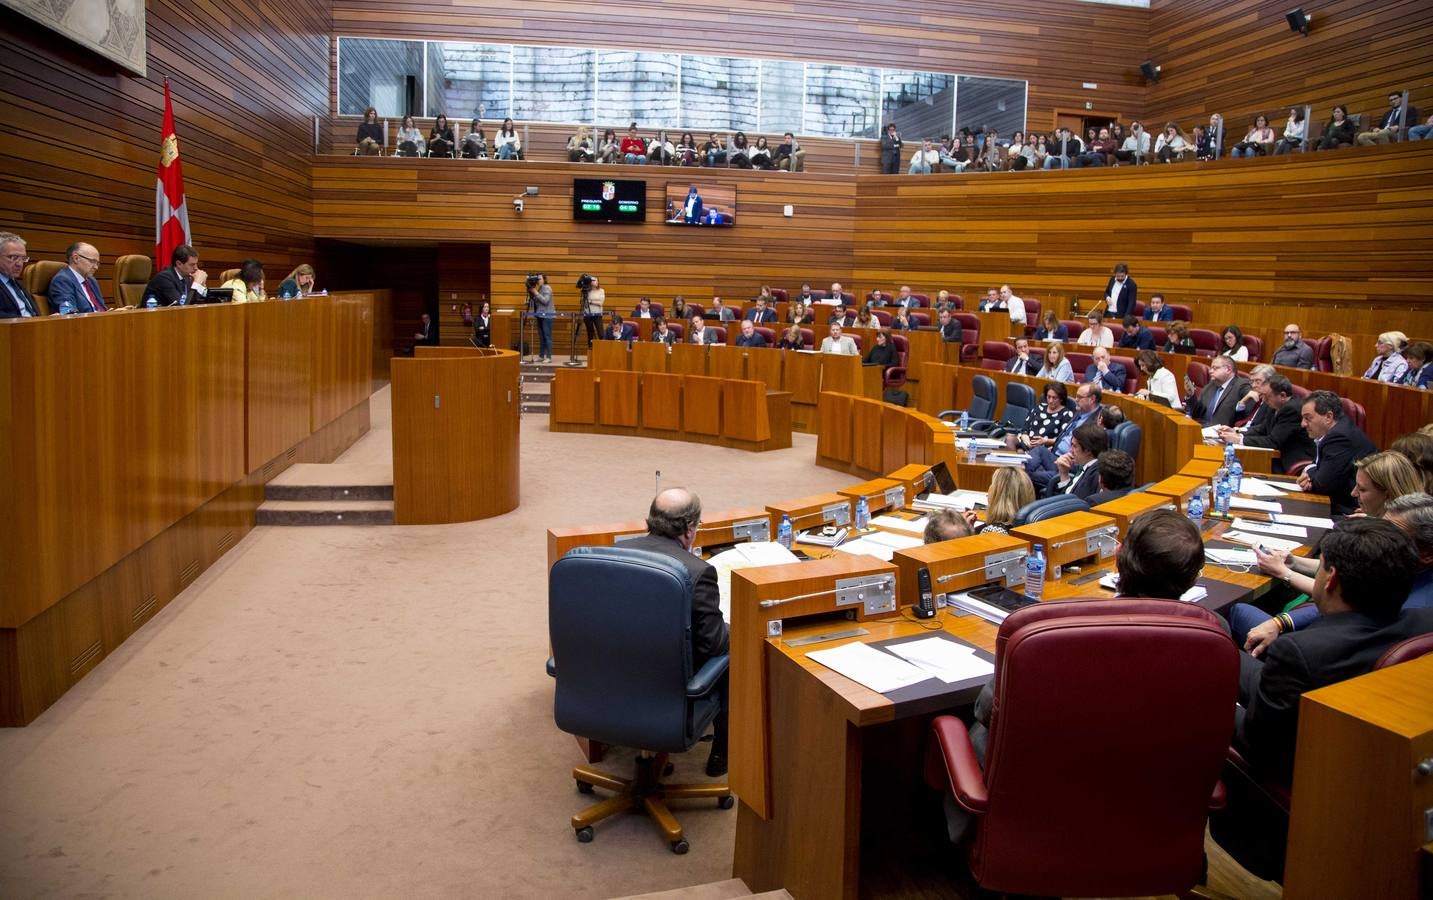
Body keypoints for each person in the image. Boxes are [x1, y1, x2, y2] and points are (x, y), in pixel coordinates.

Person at [1236, 518, 1432, 784]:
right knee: (1225, 640)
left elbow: (1258, 746)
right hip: (1371, 763)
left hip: (1300, 783)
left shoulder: (1300, 651)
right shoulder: (1426, 623)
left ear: (1331, 578)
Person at [618, 488, 731, 776]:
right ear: (690, 528)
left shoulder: (614, 553)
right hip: (669, 692)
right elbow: (714, 645)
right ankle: (723, 751)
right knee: (731, 653)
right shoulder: (698, 571)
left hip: (612, 681)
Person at [1297, 389, 1378, 515]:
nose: (1303, 424)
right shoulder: (1337, 430)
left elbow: (1321, 485)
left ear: (1328, 417)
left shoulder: (1339, 438)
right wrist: (1313, 470)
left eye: (1308, 418)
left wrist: (1308, 471)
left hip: (1350, 509)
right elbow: (1318, 466)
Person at [1218, 374, 1315, 474]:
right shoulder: (1274, 404)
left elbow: (1273, 441)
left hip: (1290, 461)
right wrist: (1236, 431)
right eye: (1262, 395)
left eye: (1267, 396)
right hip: (1275, 455)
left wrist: (1238, 439)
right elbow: (1263, 428)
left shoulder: (1291, 410)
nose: (1263, 400)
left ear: (1282, 396)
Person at [963, 467, 1035, 535]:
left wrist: (964, 533)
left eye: (992, 484)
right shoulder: (1027, 524)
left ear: (998, 494)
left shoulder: (993, 531)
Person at [1185, 355, 1249, 427]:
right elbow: (1196, 413)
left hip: (1222, 433)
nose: (1210, 371)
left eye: (1215, 368)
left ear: (1228, 369)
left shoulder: (1242, 385)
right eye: (1211, 368)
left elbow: (1246, 416)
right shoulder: (1211, 385)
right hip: (1202, 428)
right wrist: (1191, 395)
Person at [1049, 422, 1108, 498]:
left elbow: (1071, 503)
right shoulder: (1084, 466)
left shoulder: (1093, 475)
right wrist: (1064, 474)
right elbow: (1068, 494)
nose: (1070, 450)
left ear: (1087, 450)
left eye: (1074, 446)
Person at [47, 241, 109, 312]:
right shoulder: (62, 280)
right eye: (92, 261)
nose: (96, 267)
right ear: (76, 258)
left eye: (97, 263)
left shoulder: (92, 281)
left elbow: (101, 309)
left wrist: (112, 313)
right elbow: (69, 313)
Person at [1011, 382, 1074, 451]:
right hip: (1027, 443)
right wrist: (1026, 439)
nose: (1050, 401)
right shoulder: (1039, 407)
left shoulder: (1066, 414)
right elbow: (1024, 429)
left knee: (1020, 451)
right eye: (1048, 397)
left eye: (1054, 398)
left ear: (1061, 398)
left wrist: (1045, 441)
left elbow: (1062, 439)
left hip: (1044, 448)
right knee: (1010, 438)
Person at [142, 244, 209, 306]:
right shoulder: (164, 278)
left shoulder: (187, 278)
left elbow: (195, 301)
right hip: (150, 317)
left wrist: (202, 286)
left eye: (196, 264)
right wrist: (197, 284)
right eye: (192, 264)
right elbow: (181, 308)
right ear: (179, 264)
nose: (196, 268)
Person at [0, 232, 38, 318]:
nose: (20, 264)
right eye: (13, 257)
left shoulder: (16, 283)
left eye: (23, 258)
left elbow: (32, 314)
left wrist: (46, 319)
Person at [527, 273, 555, 362]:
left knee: (547, 336)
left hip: (547, 315)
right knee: (541, 337)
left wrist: (535, 292)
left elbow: (545, 301)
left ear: (544, 279)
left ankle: (549, 357)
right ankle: (541, 356)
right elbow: (537, 302)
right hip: (540, 315)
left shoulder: (547, 288)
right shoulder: (540, 288)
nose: (538, 280)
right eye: (537, 279)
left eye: (539, 279)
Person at [579, 276, 605, 350]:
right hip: (588, 315)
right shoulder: (587, 291)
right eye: (593, 280)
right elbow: (583, 303)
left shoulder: (601, 290)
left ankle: (603, 349)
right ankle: (591, 349)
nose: (594, 282)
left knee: (601, 333)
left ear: (598, 282)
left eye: (596, 280)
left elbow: (601, 303)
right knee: (590, 333)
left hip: (598, 314)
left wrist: (590, 301)